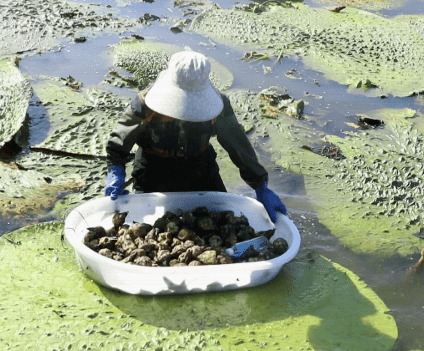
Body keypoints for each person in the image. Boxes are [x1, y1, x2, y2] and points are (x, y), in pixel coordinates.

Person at [103, 50, 287, 223]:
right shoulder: (145, 104)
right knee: (150, 225)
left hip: (200, 168)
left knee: (223, 219)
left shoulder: (219, 106)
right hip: (154, 171)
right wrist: (116, 171)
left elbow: (238, 145)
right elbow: (119, 142)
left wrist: (260, 185)